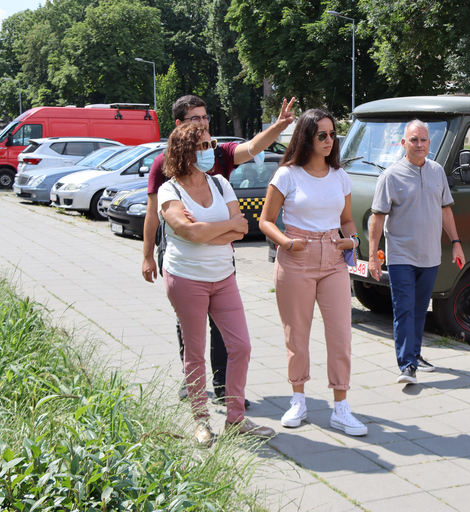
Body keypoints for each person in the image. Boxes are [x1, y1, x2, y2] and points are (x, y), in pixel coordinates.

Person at [142, 94, 295, 405]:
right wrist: (147, 255)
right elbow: (154, 212)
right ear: (179, 125)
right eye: (195, 118)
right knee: (189, 322)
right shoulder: (164, 165)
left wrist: (278, 127)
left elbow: (251, 148)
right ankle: (192, 382)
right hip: (179, 253)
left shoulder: (218, 155)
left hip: (220, 255)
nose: (202, 123)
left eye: (205, 117)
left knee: (223, 325)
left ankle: (224, 386)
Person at [159, 122, 275, 446]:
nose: (210, 151)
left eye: (210, 144)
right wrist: (222, 228)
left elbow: (241, 230)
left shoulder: (221, 183)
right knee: (195, 352)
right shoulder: (171, 191)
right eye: (202, 145)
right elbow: (189, 232)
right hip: (186, 279)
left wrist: (210, 230)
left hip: (223, 278)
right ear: (185, 152)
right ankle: (201, 422)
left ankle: (236, 420)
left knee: (241, 346)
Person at [259, 109, 367, 436]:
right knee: (297, 335)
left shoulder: (340, 176)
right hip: (297, 257)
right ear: (306, 137)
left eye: (333, 135)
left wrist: (353, 241)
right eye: (322, 135)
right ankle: (298, 399)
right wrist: (287, 243)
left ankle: (341, 408)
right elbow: (265, 221)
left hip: (334, 257)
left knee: (341, 335)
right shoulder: (287, 175)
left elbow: (347, 219)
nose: (329, 141)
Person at [367, 120, 465, 385]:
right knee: (404, 310)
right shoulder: (391, 176)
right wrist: (373, 255)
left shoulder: (437, 172)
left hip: (430, 255)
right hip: (401, 256)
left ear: (429, 144)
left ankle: (416, 355)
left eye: (423, 139)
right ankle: (406, 365)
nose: (419, 144)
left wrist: (456, 242)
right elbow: (376, 218)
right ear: (403, 143)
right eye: (413, 139)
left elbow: (446, 209)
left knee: (420, 310)